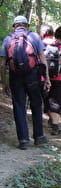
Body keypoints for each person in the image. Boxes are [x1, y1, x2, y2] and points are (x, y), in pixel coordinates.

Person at [0, 15, 50, 150]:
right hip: (33, 75)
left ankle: (23, 140)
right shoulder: (34, 37)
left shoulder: (8, 39)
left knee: (19, 106)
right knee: (36, 104)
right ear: (27, 25)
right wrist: (47, 79)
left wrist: (4, 83)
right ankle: (39, 137)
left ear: (14, 26)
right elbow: (42, 58)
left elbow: (2, 63)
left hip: (15, 77)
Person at [40, 24, 61, 135]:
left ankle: (48, 118)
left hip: (42, 77)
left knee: (46, 99)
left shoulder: (39, 44)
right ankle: (55, 126)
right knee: (57, 101)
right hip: (60, 78)